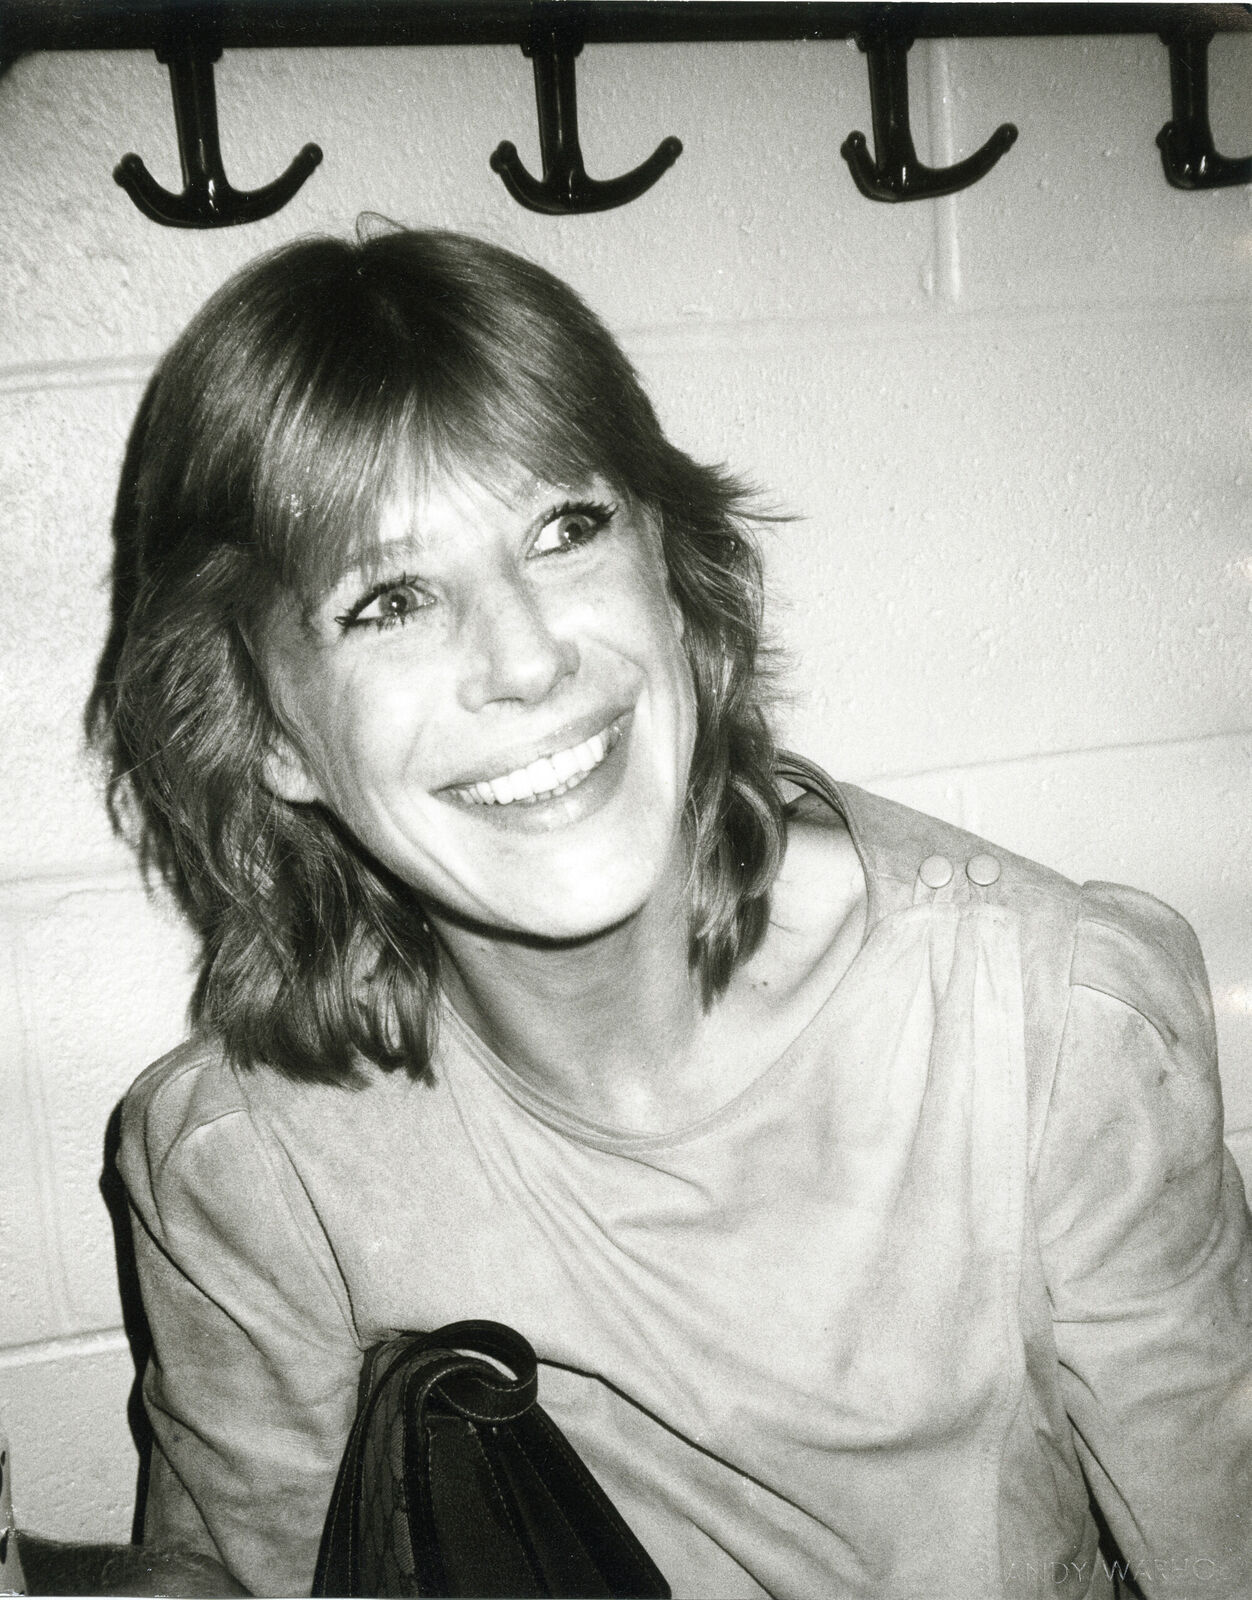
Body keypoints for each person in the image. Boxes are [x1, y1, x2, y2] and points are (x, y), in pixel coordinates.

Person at [99, 226, 1252, 1600]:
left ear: (671, 570)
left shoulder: (1052, 1022)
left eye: (568, 529)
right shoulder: (252, 1166)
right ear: (271, 732)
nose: (526, 659)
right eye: (391, 601)